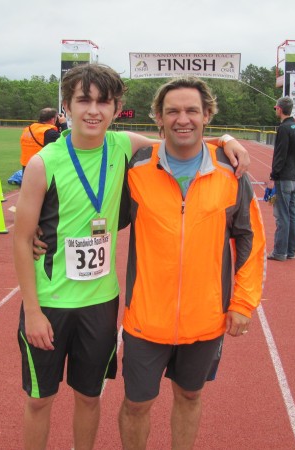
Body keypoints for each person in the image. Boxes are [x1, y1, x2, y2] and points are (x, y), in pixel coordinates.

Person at [14, 63, 250, 450]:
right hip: (50, 300)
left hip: (101, 304)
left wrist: (226, 140)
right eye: (83, 100)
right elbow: (22, 239)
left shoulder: (124, 146)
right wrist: (33, 310)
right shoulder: (44, 163)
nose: (93, 110)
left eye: (102, 102)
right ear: (67, 106)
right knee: (40, 400)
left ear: (116, 107)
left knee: (90, 397)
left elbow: (181, 139)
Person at [117, 76, 266, 450]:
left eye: (191, 111)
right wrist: (44, 232)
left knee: (190, 397)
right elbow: (99, 216)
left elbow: (250, 241)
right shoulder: (136, 167)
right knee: (137, 404)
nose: (182, 119)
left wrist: (243, 304)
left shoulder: (231, 173)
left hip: (205, 318)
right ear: (158, 117)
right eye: (173, 111)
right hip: (146, 318)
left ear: (207, 115)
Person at [267, 96, 295, 261]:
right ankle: (291, 250)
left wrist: (273, 176)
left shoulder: (284, 128)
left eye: (276, 108)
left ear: (279, 109)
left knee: (282, 215)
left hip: (284, 178)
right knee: (292, 214)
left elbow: (280, 155)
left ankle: (280, 251)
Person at [19, 107, 68, 172]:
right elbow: (67, 142)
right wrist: (64, 125)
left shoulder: (28, 129)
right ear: (53, 119)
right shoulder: (49, 133)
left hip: (26, 166)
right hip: (41, 167)